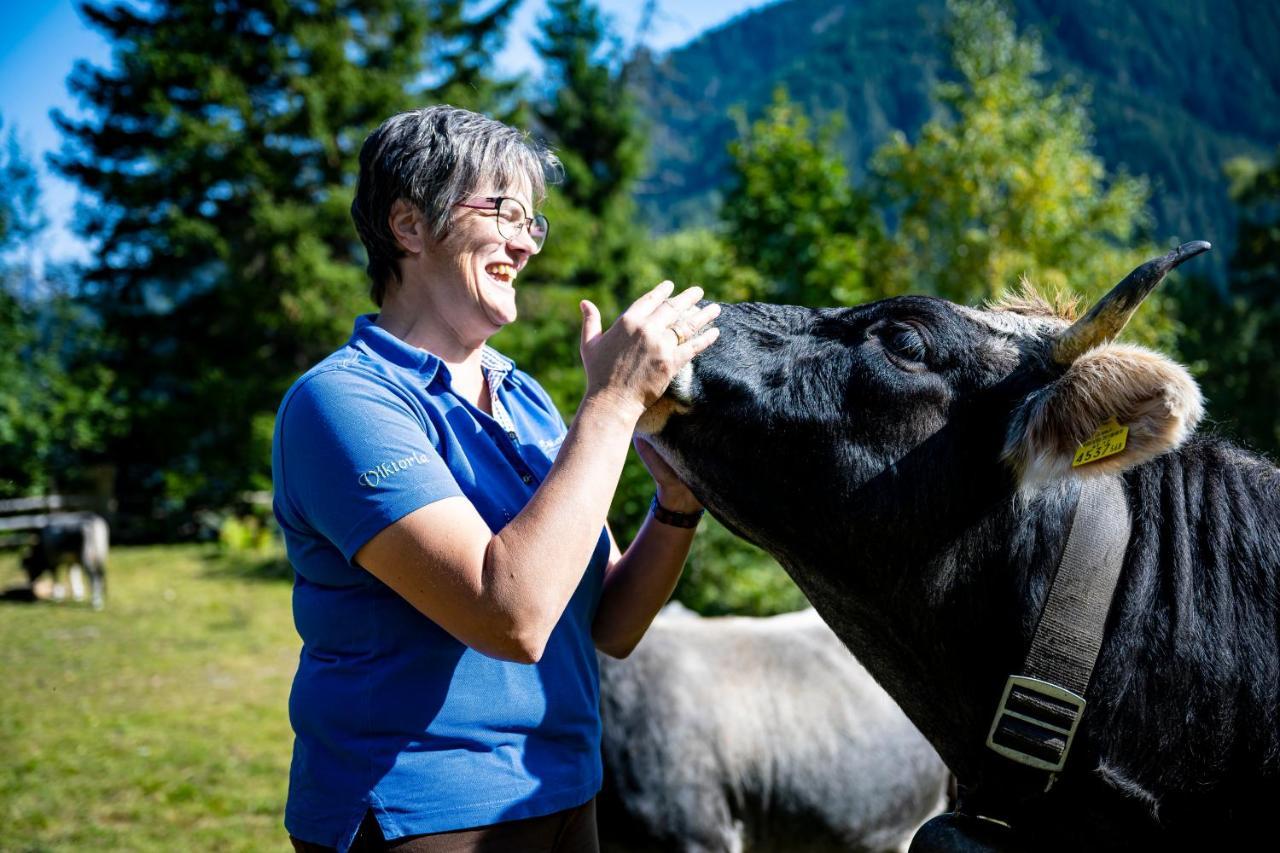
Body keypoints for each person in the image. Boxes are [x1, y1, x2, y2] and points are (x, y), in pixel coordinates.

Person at [271, 104, 720, 853]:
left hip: (567, 790)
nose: (525, 241)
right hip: (425, 810)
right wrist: (609, 405)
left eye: (533, 221)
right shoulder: (343, 401)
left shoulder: (526, 397)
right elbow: (509, 614)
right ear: (409, 225)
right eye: (505, 210)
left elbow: (607, 624)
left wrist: (676, 505)